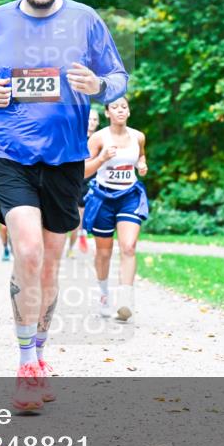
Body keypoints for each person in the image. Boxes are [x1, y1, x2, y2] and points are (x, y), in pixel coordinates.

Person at [0, 0, 129, 410]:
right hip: (9, 151)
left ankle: (38, 355)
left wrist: (98, 87)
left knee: (52, 262)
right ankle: (23, 365)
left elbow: (116, 75)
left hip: (65, 157)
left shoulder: (85, 19)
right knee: (30, 251)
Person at [82, 97, 149, 321]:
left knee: (128, 247)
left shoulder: (138, 136)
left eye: (124, 107)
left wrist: (141, 164)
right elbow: (83, 171)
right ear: (108, 113)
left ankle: (125, 300)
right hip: (103, 197)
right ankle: (103, 295)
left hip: (129, 195)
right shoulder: (99, 138)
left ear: (129, 112)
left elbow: (141, 154)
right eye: (115, 107)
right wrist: (101, 158)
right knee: (104, 252)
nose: (120, 110)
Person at [65, 109, 100, 257]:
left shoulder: (101, 140)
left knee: (79, 217)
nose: (91, 122)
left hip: (91, 182)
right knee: (71, 217)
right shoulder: (74, 137)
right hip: (72, 181)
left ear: (98, 123)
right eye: (89, 119)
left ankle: (72, 246)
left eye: (94, 120)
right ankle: (73, 239)